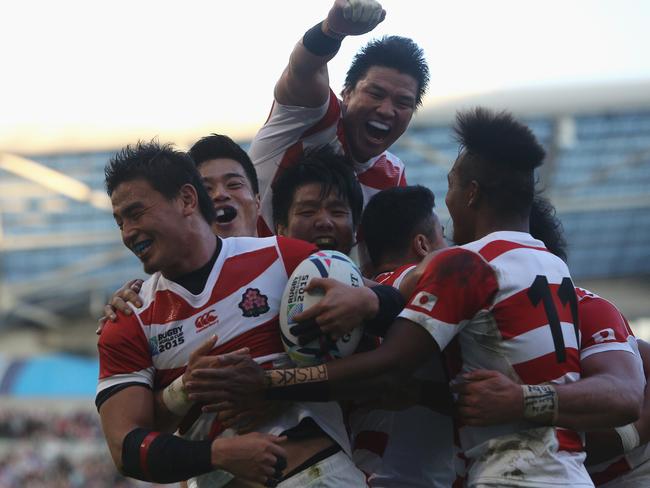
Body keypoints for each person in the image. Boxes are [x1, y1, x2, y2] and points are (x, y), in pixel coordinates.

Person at [196, 108, 644, 487]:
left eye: (449, 185)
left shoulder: (463, 266)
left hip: (504, 474)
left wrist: (267, 384)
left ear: (470, 193)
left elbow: (392, 360)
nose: (446, 204)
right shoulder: (556, 273)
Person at [97, 141, 369, 487]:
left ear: (186, 200)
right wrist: (194, 406)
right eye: (119, 222)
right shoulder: (129, 318)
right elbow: (126, 450)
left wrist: (272, 386)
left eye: (135, 214)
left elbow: (384, 327)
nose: (127, 233)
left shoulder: (284, 258)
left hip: (316, 474)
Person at [249, 0, 430, 238]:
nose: (387, 110)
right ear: (347, 93)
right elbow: (303, 68)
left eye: (403, 102)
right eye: (375, 94)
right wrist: (332, 30)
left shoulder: (393, 176)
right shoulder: (311, 117)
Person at [350, 185, 454, 488]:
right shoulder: (418, 285)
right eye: (442, 235)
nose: (449, 246)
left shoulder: (357, 296)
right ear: (423, 245)